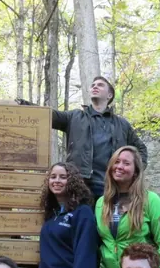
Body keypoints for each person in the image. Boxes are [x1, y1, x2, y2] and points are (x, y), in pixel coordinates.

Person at [19, 76, 147, 199]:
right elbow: (47, 115)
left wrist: (133, 171)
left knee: (108, 221)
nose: (95, 87)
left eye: (100, 85)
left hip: (112, 186)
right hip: (80, 184)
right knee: (81, 220)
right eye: (93, 85)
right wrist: (21, 105)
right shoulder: (75, 117)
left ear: (109, 95)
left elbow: (141, 148)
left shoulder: (122, 124)